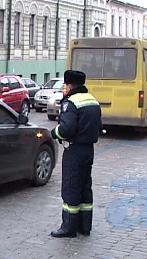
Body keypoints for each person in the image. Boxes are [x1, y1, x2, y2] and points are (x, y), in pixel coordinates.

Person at [50, 70, 102, 238]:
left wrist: (55, 132)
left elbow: (66, 129)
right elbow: (99, 126)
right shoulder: (92, 100)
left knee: (71, 187)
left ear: (69, 85)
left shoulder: (71, 102)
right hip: (89, 150)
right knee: (85, 187)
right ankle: (84, 226)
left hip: (74, 150)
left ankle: (69, 228)